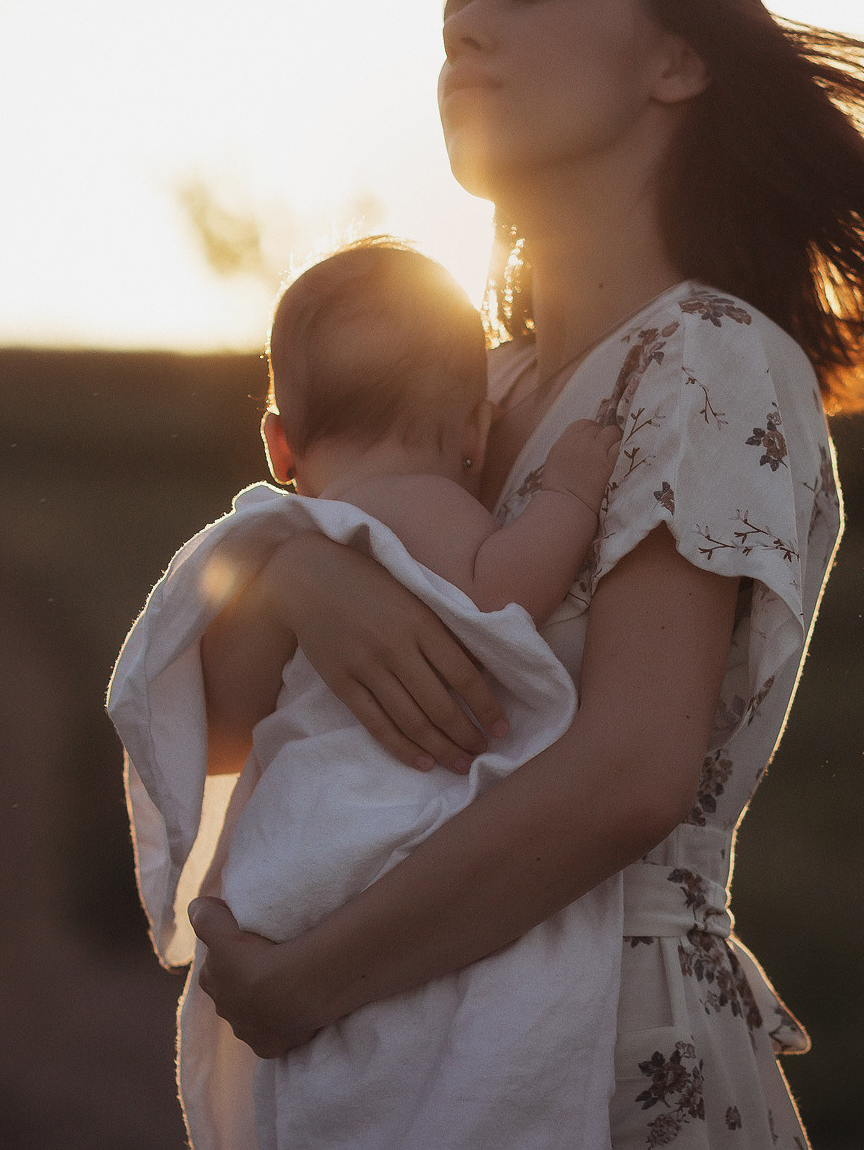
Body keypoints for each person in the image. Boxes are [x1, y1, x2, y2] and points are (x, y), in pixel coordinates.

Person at [184, 0, 864, 1148]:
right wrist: (284, 574)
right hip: (406, 1045)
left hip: (611, 1047)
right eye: (452, 15)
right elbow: (224, 726)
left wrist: (310, 981)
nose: (467, 36)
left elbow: (630, 773)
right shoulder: (474, 390)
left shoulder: (707, 357)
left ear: (676, 61)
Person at [109, 239, 632, 1148]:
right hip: (400, 827)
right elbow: (503, 587)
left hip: (302, 845)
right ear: (474, 430)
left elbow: (225, 708)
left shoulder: (279, 534)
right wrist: (572, 497)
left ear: (279, 443)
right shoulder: (430, 500)